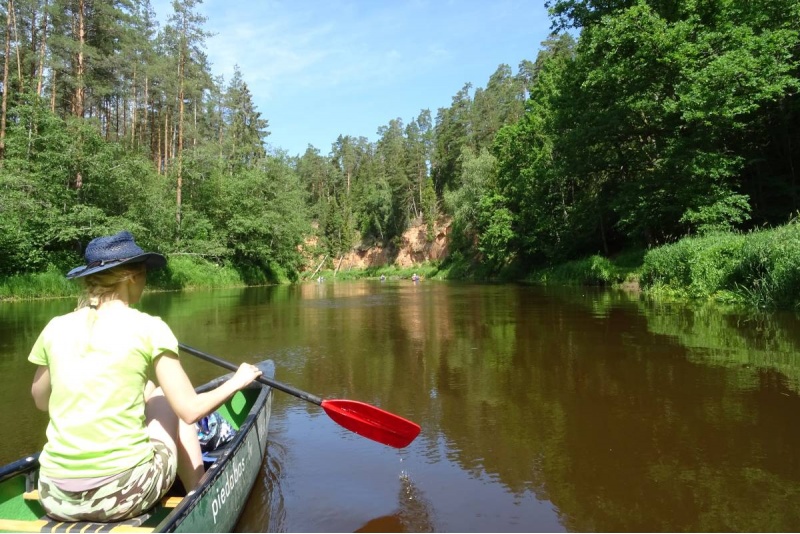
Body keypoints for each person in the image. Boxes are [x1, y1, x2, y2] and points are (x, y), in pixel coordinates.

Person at [28, 231, 263, 522]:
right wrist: (237, 380)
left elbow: (40, 400)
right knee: (166, 397)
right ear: (131, 276)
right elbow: (190, 411)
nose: (146, 279)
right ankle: (200, 493)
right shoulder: (149, 327)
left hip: (54, 496)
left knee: (150, 388)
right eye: (144, 273)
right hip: (122, 494)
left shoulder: (56, 327)